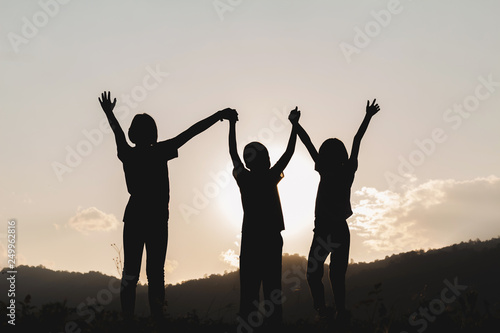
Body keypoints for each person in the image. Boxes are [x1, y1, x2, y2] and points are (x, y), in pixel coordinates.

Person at [98, 91, 236, 321]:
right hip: (156, 218)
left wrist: (110, 114)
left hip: (135, 217)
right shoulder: (160, 151)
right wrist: (219, 115)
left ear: (134, 134)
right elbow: (192, 131)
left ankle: (129, 320)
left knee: (130, 274)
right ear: (153, 133)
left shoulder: (128, 153)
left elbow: (118, 133)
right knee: (155, 274)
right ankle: (156, 320)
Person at [290, 99, 380, 321]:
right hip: (337, 229)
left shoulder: (327, 168)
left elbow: (309, 143)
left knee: (316, 275)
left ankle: (326, 310)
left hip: (325, 230)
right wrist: (367, 116)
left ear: (327, 156)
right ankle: (335, 311)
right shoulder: (347, 170)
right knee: (334, 276)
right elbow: (356, 140)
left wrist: (295, 123)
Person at [228, 108, 299, 329]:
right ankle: (273, 327)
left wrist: (232, 125)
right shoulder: (269, 177)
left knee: (249, 293)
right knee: (272, 290)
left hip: (250, 239)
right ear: (264, 160)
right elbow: (289, 153)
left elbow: (232, 152)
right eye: (267, 156)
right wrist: (294, 125)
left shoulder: (245, 179)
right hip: (270, 239)